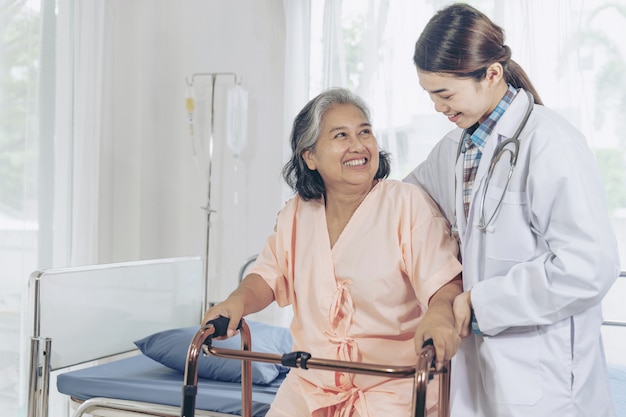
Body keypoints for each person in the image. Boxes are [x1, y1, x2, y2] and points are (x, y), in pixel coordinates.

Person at [404, 3, 621, 417]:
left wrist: (483, 303)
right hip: (482, 371)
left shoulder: (550, 142)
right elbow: (404, 205)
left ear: (491, 74)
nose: (436, 107)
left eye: (444, 93)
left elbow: (590, 264)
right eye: (429, 94)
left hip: (549, 378)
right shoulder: (456, 148)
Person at [203, 87, 463, 417]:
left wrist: (439, 314)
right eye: (341, 135)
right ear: (310, 156)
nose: (358, 146)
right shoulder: (297, 214)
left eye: (364, 132)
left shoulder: (406, 204)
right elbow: (267, 277)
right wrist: (235, 301)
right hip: (310, 385)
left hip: (388, 389)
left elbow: (442, 282)